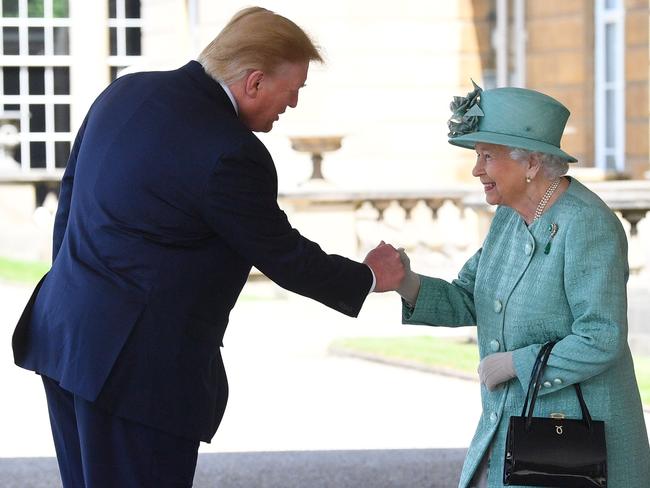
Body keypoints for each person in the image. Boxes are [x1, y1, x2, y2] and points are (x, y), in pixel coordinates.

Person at [11, 7, 404, 487]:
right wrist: (368, 276)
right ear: (255, 82)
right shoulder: (232, 151)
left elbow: (68, 205)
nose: (295, 103)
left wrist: (80, 296)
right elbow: (281, 253)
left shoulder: (125, 91)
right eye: (295, 88)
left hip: (65, 337)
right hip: (136, 374)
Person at [392, 83, 650, 487]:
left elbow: (602, 336)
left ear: (530, 163)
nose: (477, 169)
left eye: (487, 156)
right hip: (514, 433)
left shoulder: (586, 225)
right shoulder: (509, 219)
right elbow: (468, 298)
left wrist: (516, 363)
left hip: (576, 446)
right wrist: (405, 282)